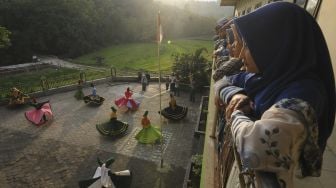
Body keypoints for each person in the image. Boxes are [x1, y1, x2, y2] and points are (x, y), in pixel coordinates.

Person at [220, 2, 335, 187]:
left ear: (275, 46)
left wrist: (237, 113)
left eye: (248, 47)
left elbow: (257, 147)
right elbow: (237, 77)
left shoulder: (305, 93)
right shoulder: (272, 78)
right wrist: (236, 94)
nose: (240, 55)